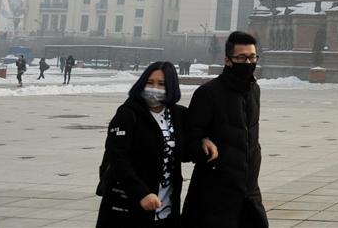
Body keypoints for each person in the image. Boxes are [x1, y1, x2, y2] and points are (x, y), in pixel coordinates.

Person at [183, 31, 268, 228]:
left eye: (252, 57)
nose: (248, 63)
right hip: (215, 194)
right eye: (242, 58)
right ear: (228, 60)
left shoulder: (254, 90)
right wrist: (202, 142)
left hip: (248, 191)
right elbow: (190, 138)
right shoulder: (208, 93)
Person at [96, 61, 195, 227]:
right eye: (150, 82)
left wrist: (204, 140)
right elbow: (117, 158)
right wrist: (141, 193)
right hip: (127, 207)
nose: (154, 88)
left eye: (161, 84)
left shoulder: (178, 115)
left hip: (166, 209)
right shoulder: (128, 113)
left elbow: (185, 150)